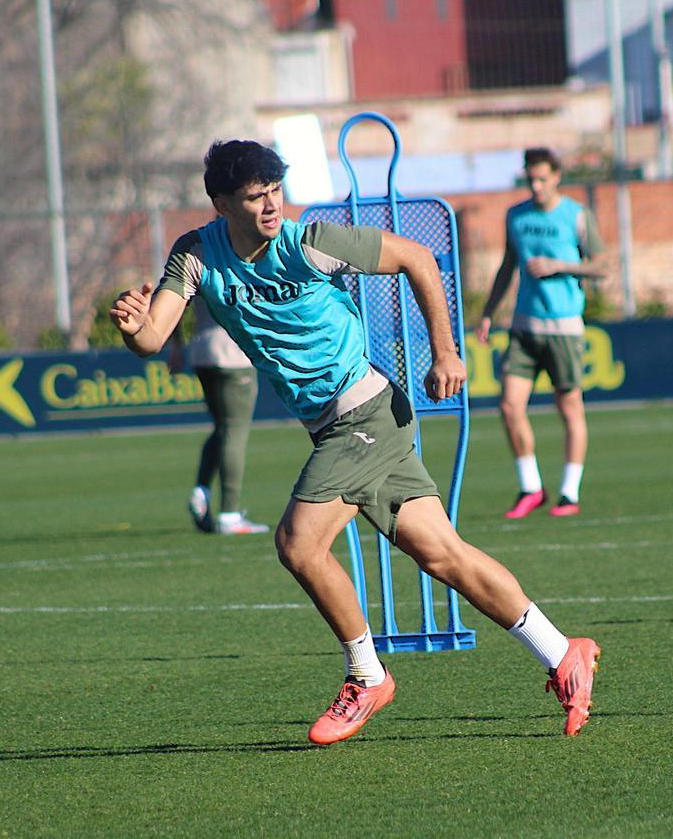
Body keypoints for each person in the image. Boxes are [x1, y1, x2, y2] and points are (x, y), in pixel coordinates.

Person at [111, 140, 601, 745]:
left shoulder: (309, 241)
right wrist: (135, 330)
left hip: (365, 413)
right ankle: (562, 652)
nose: (270, 206)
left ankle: (367, 675)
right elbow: (155, 336)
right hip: (346, 426)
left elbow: (418, 257)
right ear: (220, 204)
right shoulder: (195, 255)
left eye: (274, 192)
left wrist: (447, 351)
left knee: (297, 543)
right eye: (253, 197)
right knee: (442, 554)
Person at [476, 147, 608, 520]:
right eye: (530, 179)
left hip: (564, 329)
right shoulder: (516, 216)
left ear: (556, 177)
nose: (535, 186)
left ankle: (569, 493)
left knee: (569, 408)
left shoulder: (577, 216)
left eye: (542, 179)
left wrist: (560, 265)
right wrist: (488, 313)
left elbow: (603, 265)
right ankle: (531, 487)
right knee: (508, 406)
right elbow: (507, 267)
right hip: (523, 327)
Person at [167, 302, 268, 535]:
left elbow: (173, 303)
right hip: (234, 353)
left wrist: (176, 346)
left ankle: (201, 491)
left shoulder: (195, 264)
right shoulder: (239, 263)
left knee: (222, 429)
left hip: (202, 351)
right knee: (235, 431)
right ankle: (229, 514)